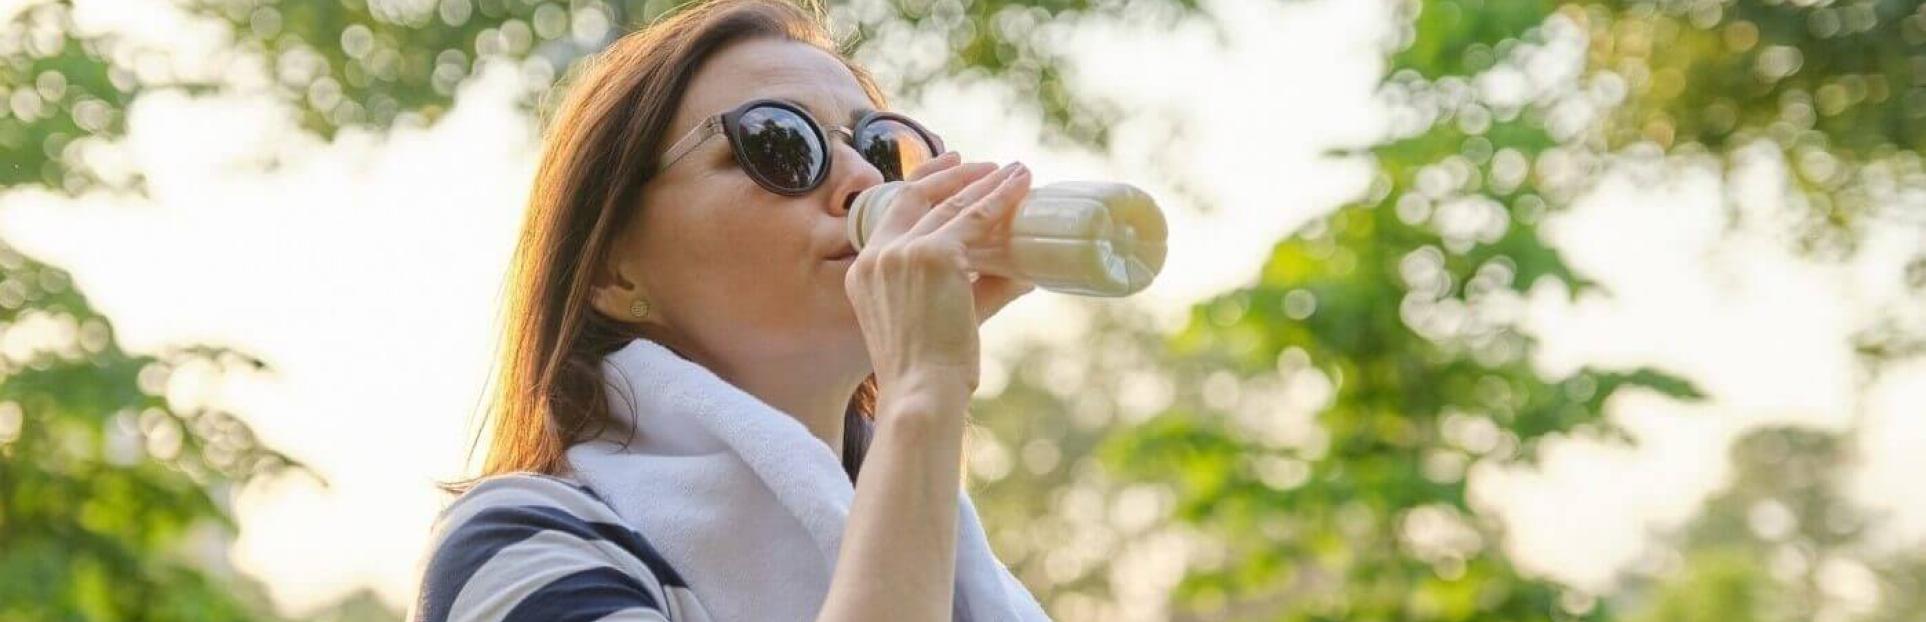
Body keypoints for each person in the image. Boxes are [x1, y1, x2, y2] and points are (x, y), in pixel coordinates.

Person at [405, 0, 1047, 619]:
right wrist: (926, 389)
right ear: (612, 271)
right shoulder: (515, 549)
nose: (864, 179)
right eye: (781, 143)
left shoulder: (975, 581)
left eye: (884, 150)